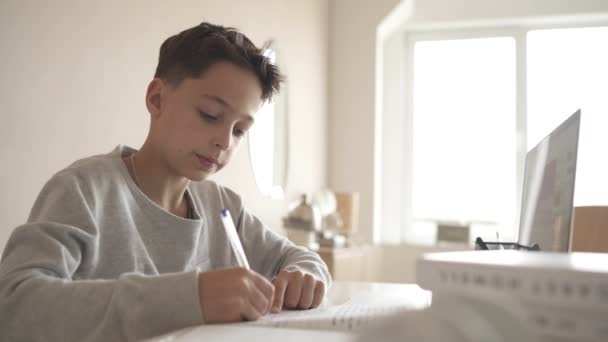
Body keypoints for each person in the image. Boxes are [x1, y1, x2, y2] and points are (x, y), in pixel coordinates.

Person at [0, 22, 331, 341]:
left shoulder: (224, 207)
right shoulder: (84, 191)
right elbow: (14, 304)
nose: (225, 141)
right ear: (157, 99)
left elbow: (302, 260)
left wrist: (307, 277)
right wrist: (192, 297)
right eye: (210, 115)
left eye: (240, 130)